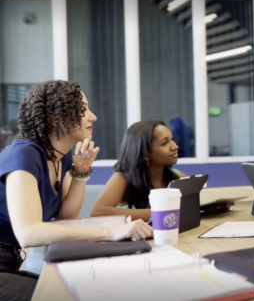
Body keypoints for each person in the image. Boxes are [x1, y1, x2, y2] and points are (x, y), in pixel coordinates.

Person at [0, 81, 153, 275]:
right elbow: (28, 233)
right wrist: (111, 232)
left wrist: (80, 172)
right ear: (52, 118)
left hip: (9, 261)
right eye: (83, 110)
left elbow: (66, 217)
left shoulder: (59, 158)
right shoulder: (23, 155)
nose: (93, 117)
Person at [91, 120, 186, 222]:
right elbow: (97, 213)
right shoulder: (122, 178)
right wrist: (161, 213)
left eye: (172, 139)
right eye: (164, 143)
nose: (175, 146)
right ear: (145, 152)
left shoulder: (178, 176)